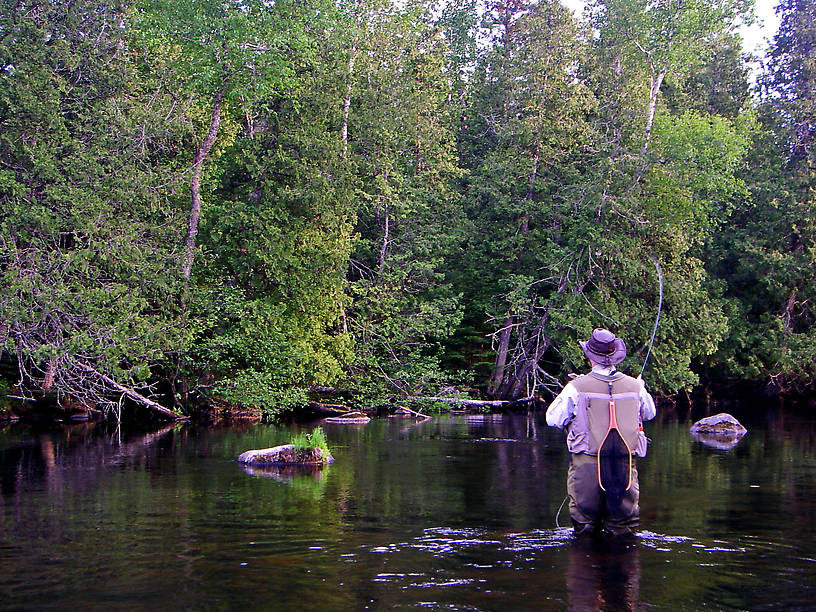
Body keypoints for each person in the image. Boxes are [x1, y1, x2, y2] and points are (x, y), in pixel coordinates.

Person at [546, 328, 656, 537]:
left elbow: (553, 420)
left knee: (585, 528)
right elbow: (649, 414)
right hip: (624, 466)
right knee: (623, 529)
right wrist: (640, 386)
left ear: (590, 357)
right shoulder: (636, 387)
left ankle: (588, 564)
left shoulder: (575, 387)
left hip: (586, 466)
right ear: (615, 357)